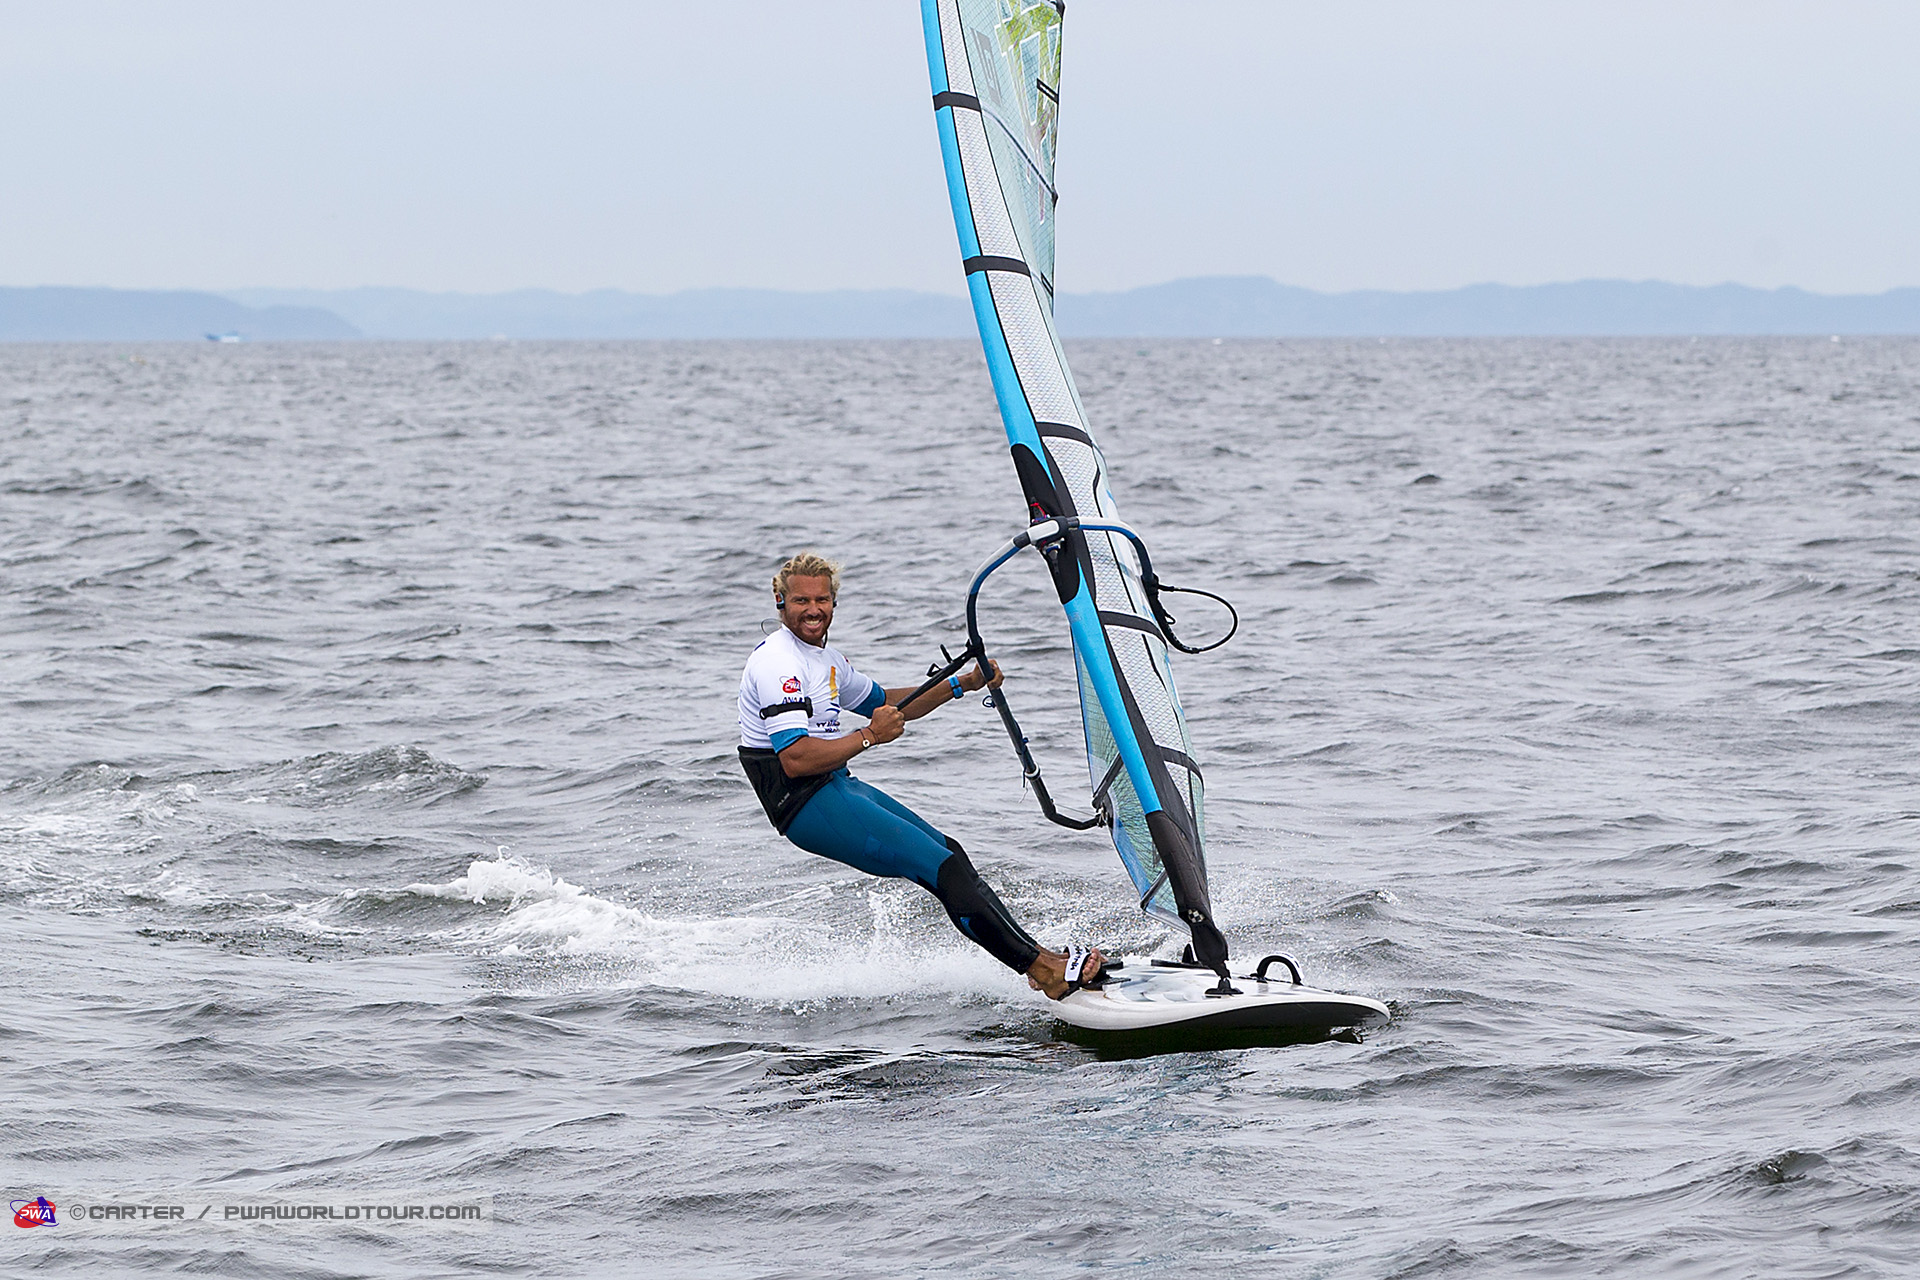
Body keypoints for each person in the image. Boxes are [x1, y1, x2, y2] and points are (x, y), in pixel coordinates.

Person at [736, 551, 1103, 999]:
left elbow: (885, 701)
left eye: (822, 600)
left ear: (834, 602)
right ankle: (1045, 972)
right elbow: (794, 758)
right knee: (940, 868)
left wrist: (959, 685)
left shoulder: (825, 659)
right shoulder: (779, 664)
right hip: (803, 803)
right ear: (780, 602)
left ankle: (1037, 959)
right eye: (800, 601)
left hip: (833, 784)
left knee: (950, 852)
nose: (813, 610)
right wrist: (870, 736)